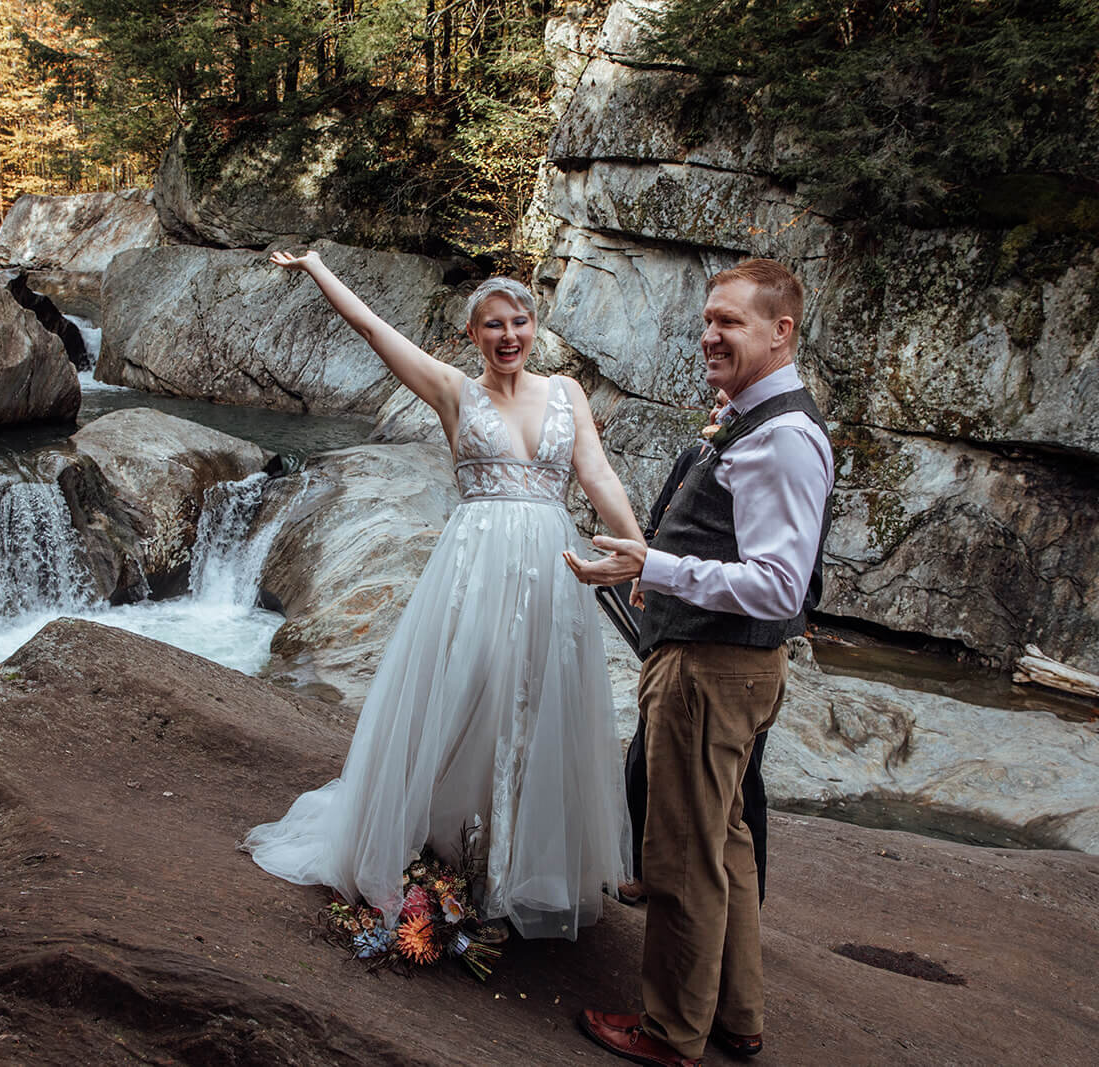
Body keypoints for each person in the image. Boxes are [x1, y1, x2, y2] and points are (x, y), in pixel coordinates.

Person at [242, 249, 641, 939]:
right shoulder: (456, 391)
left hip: (553, 572)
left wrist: (636, 552)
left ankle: (518, 868)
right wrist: (314, 266)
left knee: (540, 708)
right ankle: (453, 850)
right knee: (465, 701)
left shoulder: (566, 393)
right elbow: (371, 328)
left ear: (534, 325)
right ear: (472, 334)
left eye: (519, 321)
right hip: (475, 571)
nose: (508, 335)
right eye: (493, 325)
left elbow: (597, 473)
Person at [566, 258, 833, 1064]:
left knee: (683, 853)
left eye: (732, 321)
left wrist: (654, 566)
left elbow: (781, 584)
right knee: (728, 842)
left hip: (714, 671)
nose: (710, 333)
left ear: (781, 331)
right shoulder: (752, 416)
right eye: (709, 317)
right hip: (721, 663)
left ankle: (670, 1032)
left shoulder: (784, 437)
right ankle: (736, 1015)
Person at [617, 400, 771, 909]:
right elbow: (661, 524)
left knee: (740, 783)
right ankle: (641, 868)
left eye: (732, 404)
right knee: (644, 756)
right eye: (718, 403)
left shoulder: (776, 459)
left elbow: (784, 576)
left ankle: (747, 894)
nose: (720, 408)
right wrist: (645, 577)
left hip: (733, 643)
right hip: (672, 631)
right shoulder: (696, 456)